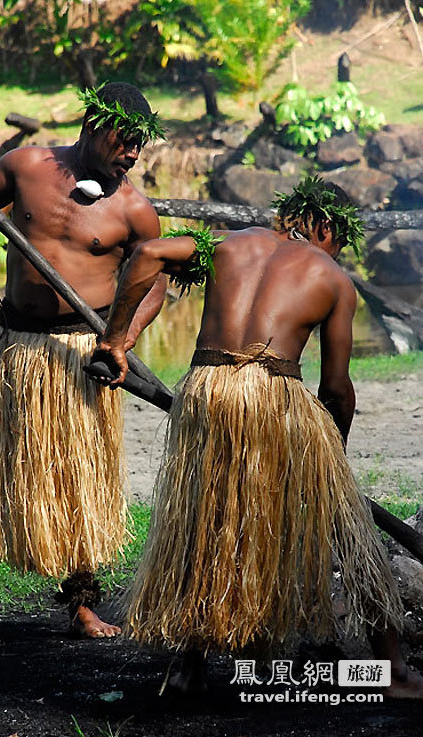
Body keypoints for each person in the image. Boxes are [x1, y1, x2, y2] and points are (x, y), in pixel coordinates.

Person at [95, 176, 423, 699]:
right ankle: (395, 671)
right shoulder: (334, 280)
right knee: (350, 529)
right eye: (338, 239)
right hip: (273, 393)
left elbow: (149, 252)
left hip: (205, 391)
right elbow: (336, 389)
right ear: (319, 225)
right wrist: (331, 454)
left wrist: (115, 338)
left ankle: (187, 665)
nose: (336, 252)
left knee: (206, 522)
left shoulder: (230, 241)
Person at [0, 82, 167, 645]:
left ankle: (81, 603)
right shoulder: (26, 165)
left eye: (140, 145)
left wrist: (124, 337)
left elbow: (157, 281)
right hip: (14, 347)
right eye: (126, 140)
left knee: (75, 476)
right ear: (97, 125)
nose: (132, 153)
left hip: (80, 355)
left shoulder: (133, 209)